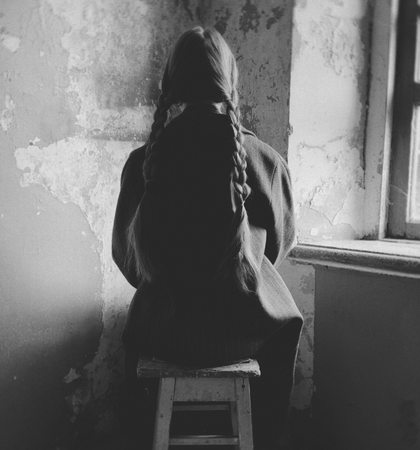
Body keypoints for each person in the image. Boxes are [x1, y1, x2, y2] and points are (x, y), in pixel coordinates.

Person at [112, 26, 303, 450]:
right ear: (230, 82)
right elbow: (279, 248)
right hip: (245, 330)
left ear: (170, 82)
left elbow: (127, 260)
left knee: (138, 326)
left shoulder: (145, 162)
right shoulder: (265, 161)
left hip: (163, 331)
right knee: (284, 322)